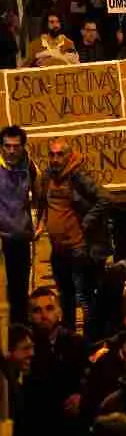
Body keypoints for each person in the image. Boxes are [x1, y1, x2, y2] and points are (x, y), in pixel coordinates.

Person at [38, 136, 111, 334]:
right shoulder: (47, 177)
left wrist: (85, 223)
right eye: (51, 154)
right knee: (65, 296)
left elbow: (104, 198)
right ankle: (69, 338)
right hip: (59, 248)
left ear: (69, 156)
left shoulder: (78, 176)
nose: (55, 159)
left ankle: (92, 339)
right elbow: (45, 203)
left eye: (59, 154)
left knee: (85, 298)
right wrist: (40, 225)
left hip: (79, 249)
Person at [23, 286, 89, 436]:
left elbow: (89, 377)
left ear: (59, 312)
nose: (44, 315)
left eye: (49, 308)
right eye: (37, 310)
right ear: (30, 316)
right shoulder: (25, 347)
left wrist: (81, 395)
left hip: (71, 424)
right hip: (38, 424)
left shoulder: (76, 342)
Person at [0, 125, 39, 325]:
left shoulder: (29, 167)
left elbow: (40, 197)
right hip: (1, 239)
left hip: (20, 238)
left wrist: (40, 225)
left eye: (16, 146)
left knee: (19, 293)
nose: (12, 151)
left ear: (23, 147)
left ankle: (19, 336)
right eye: (7, 146)